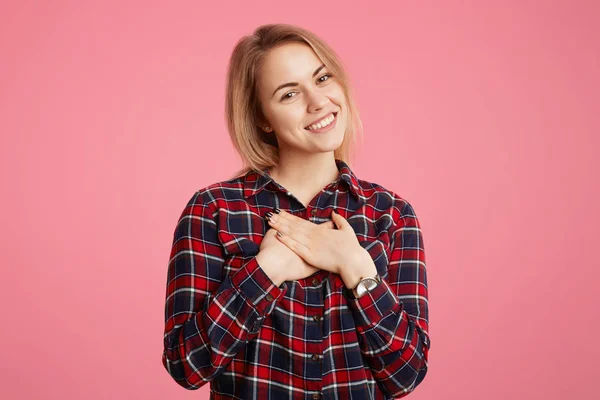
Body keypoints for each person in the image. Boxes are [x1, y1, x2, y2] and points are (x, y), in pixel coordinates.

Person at [161, 23, 430, 399]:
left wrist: (356, 267)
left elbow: (407, 374)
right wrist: (266, 271)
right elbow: (186, 365)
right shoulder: (213, 210)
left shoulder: (391, 215)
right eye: (289, 94)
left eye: (322, 78)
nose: (317, 101)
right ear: (262, 118)